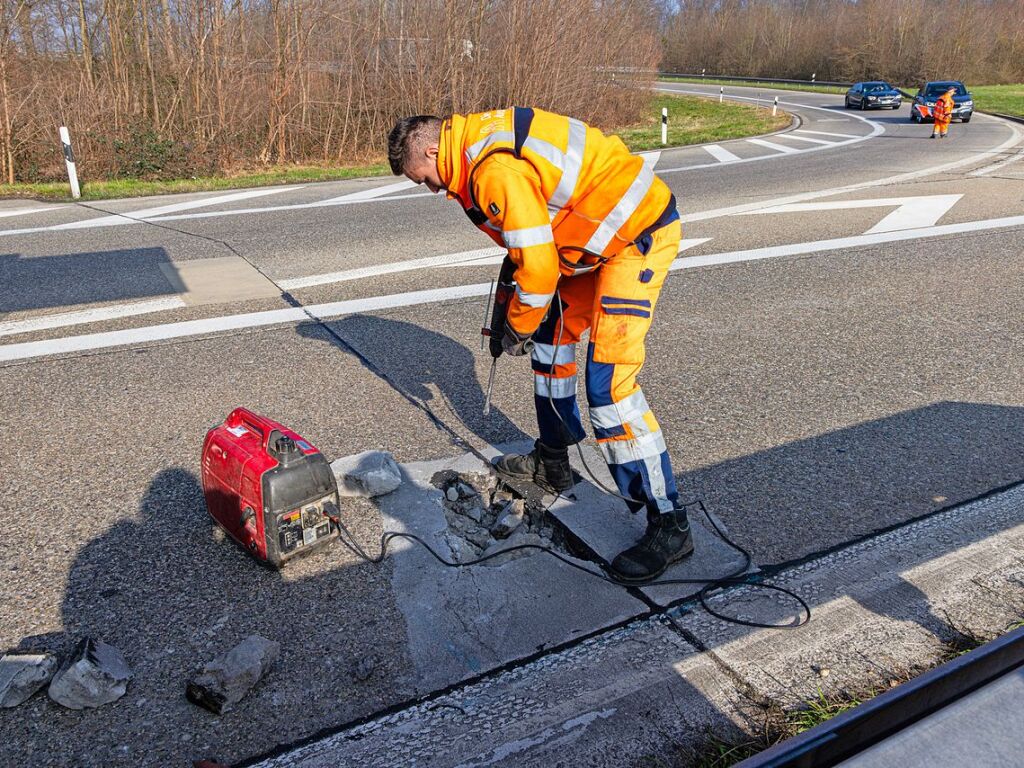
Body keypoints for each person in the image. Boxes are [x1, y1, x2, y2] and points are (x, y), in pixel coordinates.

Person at [387, 107, 694, 582]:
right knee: (552, 345)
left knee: (610, 388)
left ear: (432, 150)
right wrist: (528, 307)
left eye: (422, 177)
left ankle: (669, 523)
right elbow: (533, 234)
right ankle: (553, 460)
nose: (430, 188)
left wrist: (517, 323)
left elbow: (538, 271)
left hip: (635, 237)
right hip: (587, 245)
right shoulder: (471, 148)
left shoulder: (492, 169)